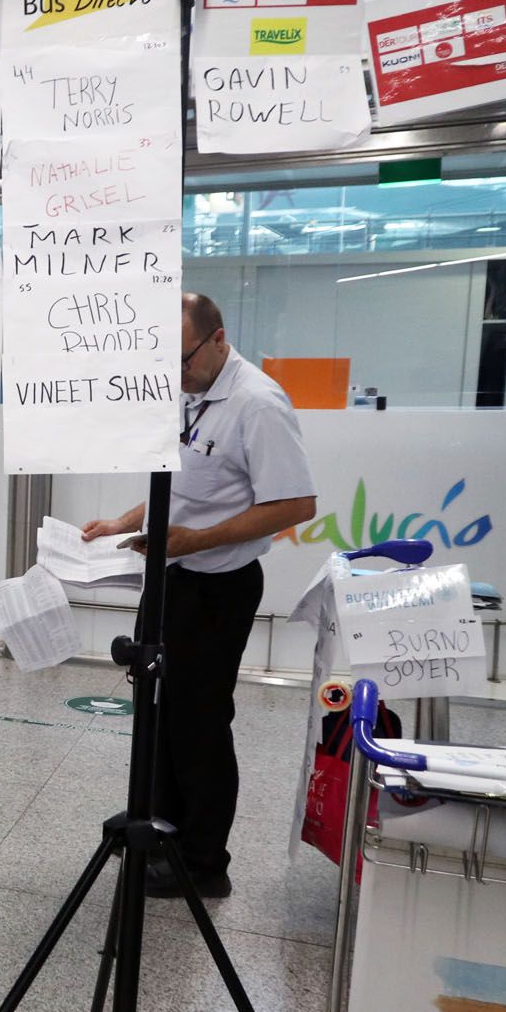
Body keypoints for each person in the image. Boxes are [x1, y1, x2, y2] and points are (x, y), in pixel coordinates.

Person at [81, 292, 316, 900]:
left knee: (200, 725)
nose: (177, 375)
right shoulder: (190, 393)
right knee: (158, 715)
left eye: (183, 360)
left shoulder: (257, 404)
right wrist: (122, 521)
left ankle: (205, 864)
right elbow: (183, 482)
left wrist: (195, 540)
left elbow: (295, 505)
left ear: (216, 340)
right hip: (173, 575)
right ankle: (162, 835)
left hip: (219, 588)